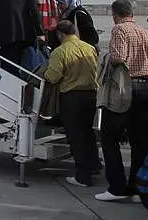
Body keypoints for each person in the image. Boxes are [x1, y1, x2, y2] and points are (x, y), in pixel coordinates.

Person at [96, 0, 148, 203]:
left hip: (125, 89)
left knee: (110, 138)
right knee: (139, 142)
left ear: (115, 14)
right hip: (146, 89)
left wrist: (106, 58)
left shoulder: (119, 30)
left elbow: (118, 57)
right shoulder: (147, 33)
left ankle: (116, 187)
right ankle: (137, 188)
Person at [43, 20, 99, 187]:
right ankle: (94, 165)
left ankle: (83, 177)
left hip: (72, 97)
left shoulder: (60, 52)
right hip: (90, 95)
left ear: (60, 34)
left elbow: (53, 76)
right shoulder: (89, 48)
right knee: (88, 133)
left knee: (76, 136)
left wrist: (44, 72)